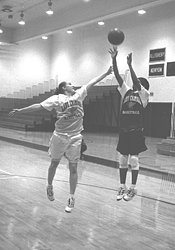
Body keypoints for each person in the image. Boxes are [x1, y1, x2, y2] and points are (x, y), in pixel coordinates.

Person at [9, 66, 113, 212]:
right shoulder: (56, 99)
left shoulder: (79, 94)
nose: (72, 85)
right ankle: (50, 186)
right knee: (54, 163)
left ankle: (71, 197)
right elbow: (39, 106)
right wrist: (21, 110)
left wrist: (107, 73)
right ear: (64, 87)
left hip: (75, 136)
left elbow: (92, 81)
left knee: (74, 167)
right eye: (69, 83)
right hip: (60, 135)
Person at [109, 47, 150, 201]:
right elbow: (119, 78)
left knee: (134, 159)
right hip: (124, 130)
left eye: (138, 81)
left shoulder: (143, 94)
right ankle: (121, 186)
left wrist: (130, 66)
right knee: (122, 159)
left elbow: (137, 84)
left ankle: (133, 188)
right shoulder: (126, 92)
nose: (134, 82)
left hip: (136, 131)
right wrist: (114, 59)